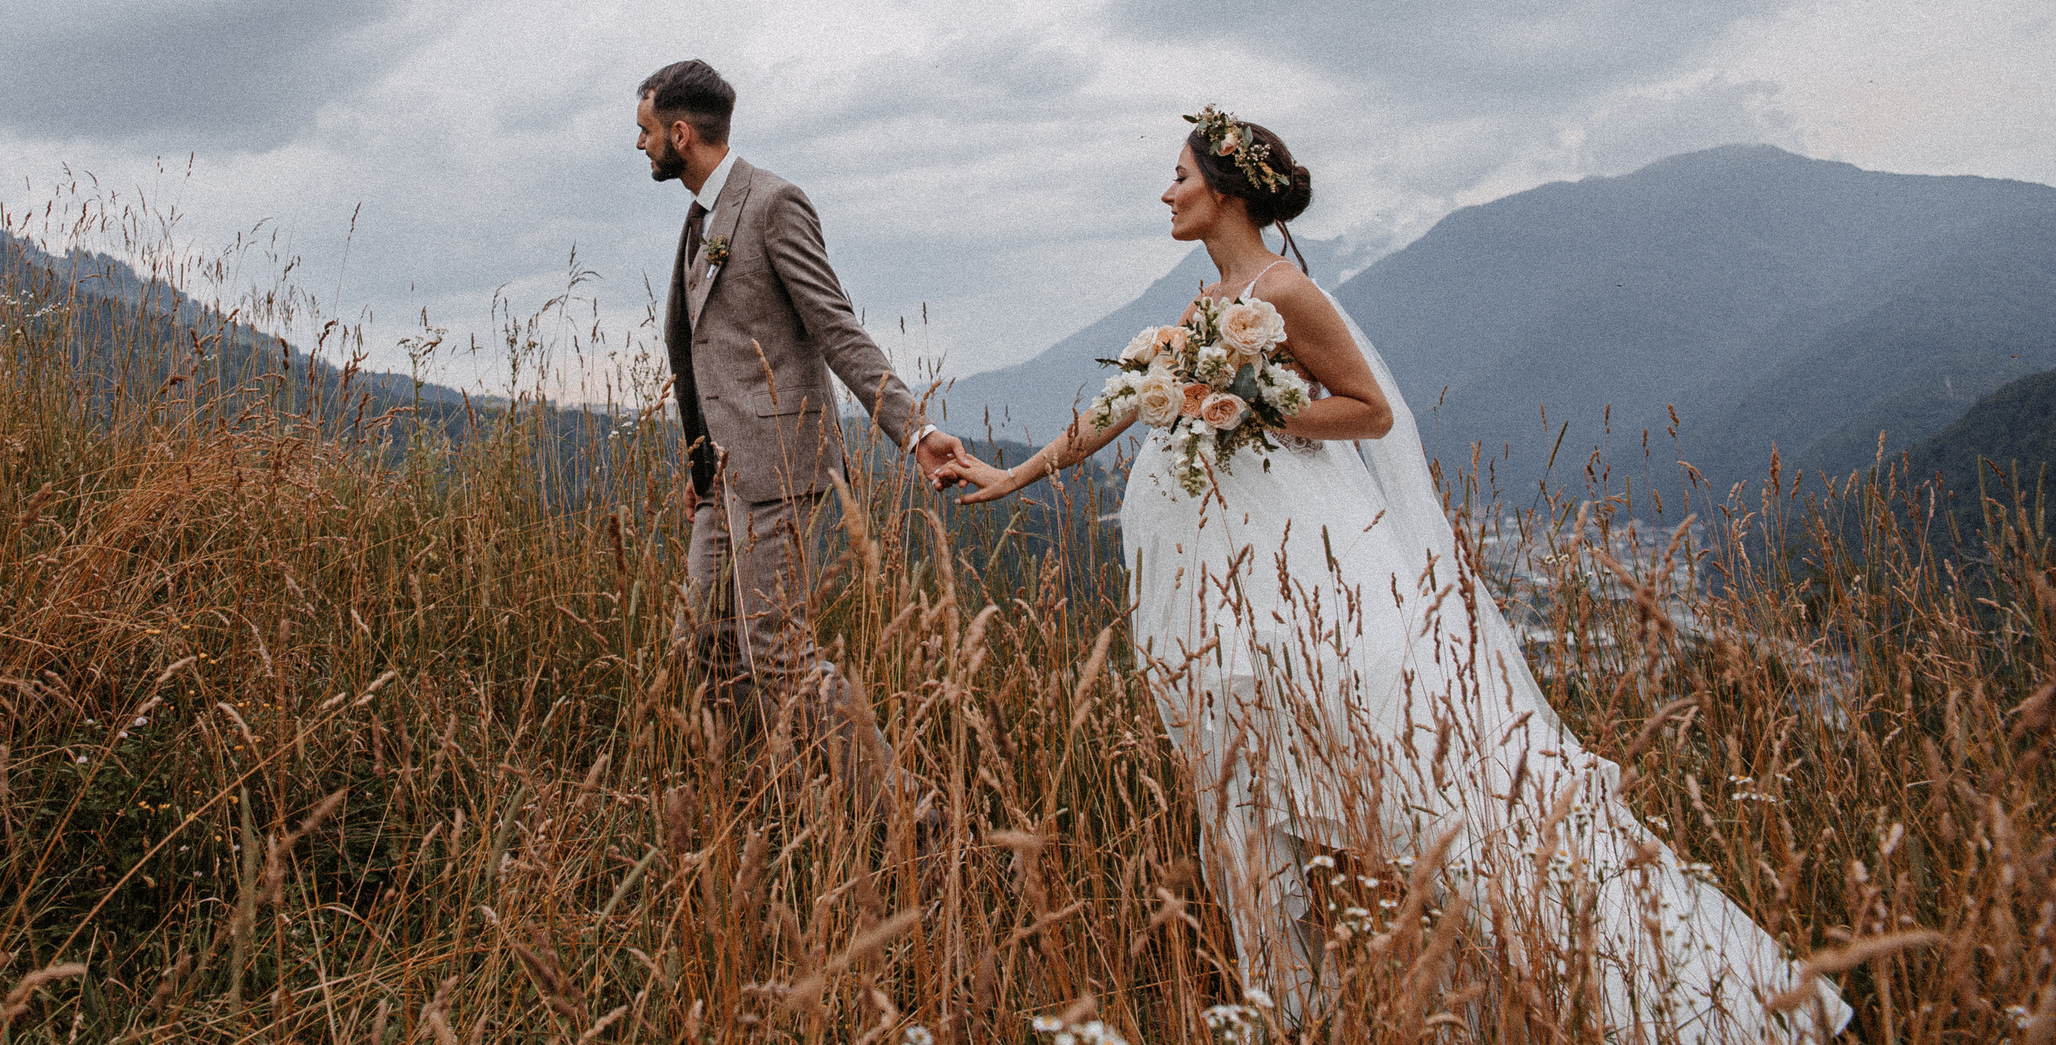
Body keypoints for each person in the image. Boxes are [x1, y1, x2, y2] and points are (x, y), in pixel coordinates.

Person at [938, 107, 1847, 1040]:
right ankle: (1299, 1004)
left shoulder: (1285, 294)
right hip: (1228, 580)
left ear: (1229, 189)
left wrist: (1248, 407)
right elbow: (1127, 402)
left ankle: (1662, 986)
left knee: (1411, 783)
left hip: (1298, 562)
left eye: (1178, 174)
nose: (1166, 192)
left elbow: (1368, 410)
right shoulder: (1205, 305)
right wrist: (1011, 474)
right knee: (1250, 789)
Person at [636, 59, 961, 826]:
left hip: (781, 468)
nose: (641, 145)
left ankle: (910, 819)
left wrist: (912, 429)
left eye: (647, 131)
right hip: (722, 474)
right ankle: (753, 803)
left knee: (776, 654)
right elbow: (698, 353)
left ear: (680, 133)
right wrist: (696, 456)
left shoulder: (773, 203)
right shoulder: (698, 217)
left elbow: (834, 325)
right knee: (707, 644)